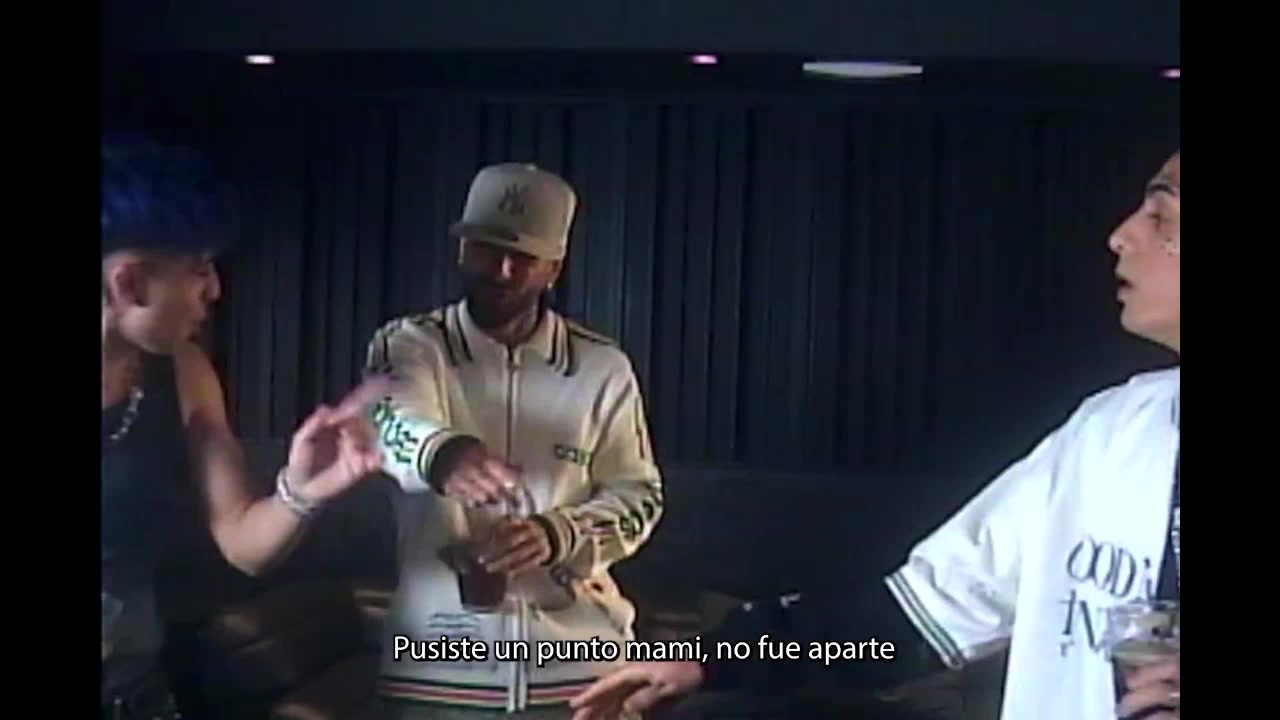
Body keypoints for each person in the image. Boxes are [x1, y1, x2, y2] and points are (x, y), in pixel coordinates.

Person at [570, 152, 1182, 720]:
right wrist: (714, 659)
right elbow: (913, 619)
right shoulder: (1109, 434)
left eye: (1162, 216)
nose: (1121, 235)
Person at [363, 163, 664, 719]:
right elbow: (389, 421)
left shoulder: (603, 368)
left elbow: (640, 497)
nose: (502, 271)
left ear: (554, 268)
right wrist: (442, 455)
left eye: (524, 257)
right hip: (436, 673)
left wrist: (558, 534)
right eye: (487, 248)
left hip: (582, 675)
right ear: (462, 249)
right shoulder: (409, 344)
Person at [101, 136, 388, 719]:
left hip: (137, 697)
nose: (214, 290)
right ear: (128, 284)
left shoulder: (182, 368)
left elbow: (242, 544)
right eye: (198, 269)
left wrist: (304, 490)